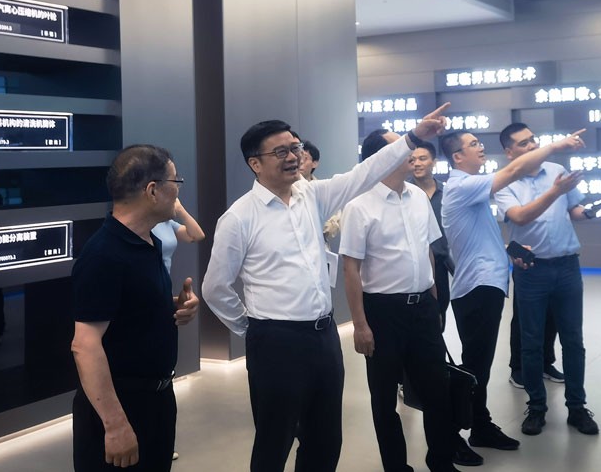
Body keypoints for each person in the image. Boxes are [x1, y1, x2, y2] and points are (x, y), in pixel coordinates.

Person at [203, 103, 450, 472]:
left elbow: (364, 173)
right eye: (281, 151)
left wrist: (413, 138)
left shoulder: (312, 196)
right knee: (275, 440)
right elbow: (215, 287)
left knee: (325, 440)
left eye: (295, 148)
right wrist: (252, 327)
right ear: (255, 163)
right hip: (275, 342)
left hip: (323, 338)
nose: (293, 157)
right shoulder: (239, 217)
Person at [438, 127, 585, 455]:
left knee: (479, 365)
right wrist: (556, 145)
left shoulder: (467, 188)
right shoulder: (463, 186)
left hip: (484, 285)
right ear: (457, 156)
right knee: (475, 367)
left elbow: (478, 239)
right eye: (473, 144)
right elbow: (514, 171)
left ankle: (480, 426)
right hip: (478, 287)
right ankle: (453, 435)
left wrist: (510, 250)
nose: (480, 148)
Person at [341, 129, 480, 471]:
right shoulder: (359, 206)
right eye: (401, 146)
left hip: (423, 309)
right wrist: (360, 324)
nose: (411, 150)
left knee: (436, 390)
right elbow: (351, 269)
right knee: (384, 399)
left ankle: (441, 462)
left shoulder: (418, 197)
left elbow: (428, 250)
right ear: (380, 158)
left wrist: (432, 299)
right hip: (382, 313)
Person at [70, 144, 200, 471]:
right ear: (153, 191)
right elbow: (85, 345)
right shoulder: (104, 255)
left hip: (157, 399)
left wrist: (173, 306)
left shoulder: (148, 243)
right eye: (176, 182)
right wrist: (115, 425)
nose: (178, 191)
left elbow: (128, 307)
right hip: (121, 406)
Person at [494, 123, 599, 436]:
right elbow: (520, 216)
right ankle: (536, 407)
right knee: (531, 342)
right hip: (531, 271)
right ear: (509, 152)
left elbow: (573, 209)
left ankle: (577, 407)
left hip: (567, 267)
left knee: (573, 340)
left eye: (533, 140)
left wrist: (587, 212)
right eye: (523, 143)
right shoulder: (504, 182)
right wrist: (556, 191)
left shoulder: (556, 170)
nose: (532, 146)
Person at [151, 197, 205, 462]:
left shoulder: (166, 221)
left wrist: (180, 209)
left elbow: (196, 234)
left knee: (164, 365)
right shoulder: (146, 222)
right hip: (147, 291)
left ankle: (160, 439)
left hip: (164, 293)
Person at [410, 141, 455, 329]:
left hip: (441, 266)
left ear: (434, 162)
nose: (417, 164)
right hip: (412, 267)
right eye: (412, 160)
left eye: (422, 159)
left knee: (438, 321)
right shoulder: (403, 193)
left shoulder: (449, 193)